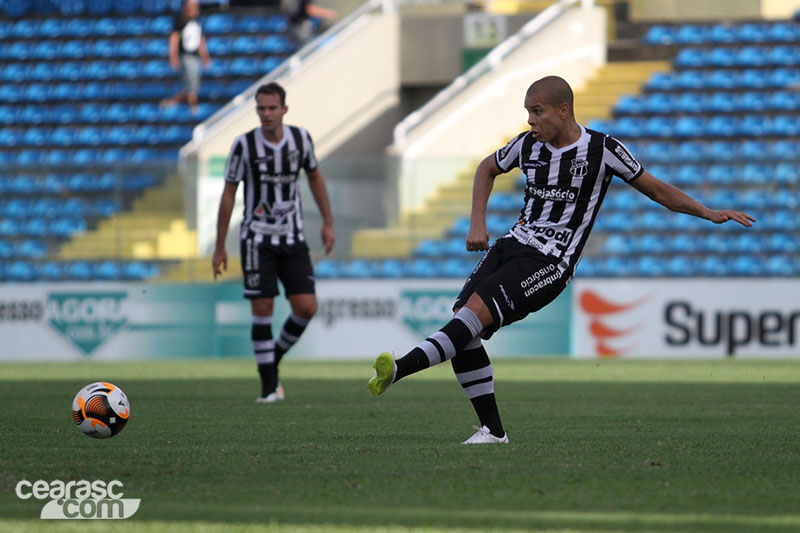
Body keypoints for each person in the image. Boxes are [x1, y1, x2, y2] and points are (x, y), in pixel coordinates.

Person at [366, 75, 756, 444]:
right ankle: (493, 432)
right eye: (528, 112)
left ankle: (400, 369)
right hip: (511, 245)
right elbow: (487, 168)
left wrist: (708, 212)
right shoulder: (526, 145)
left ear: (563, 110)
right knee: (463, 327)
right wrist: (477, 223)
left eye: (537, 111)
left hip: (550, 260)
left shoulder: (603, 150)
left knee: (469, 318)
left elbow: (656, 190)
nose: (531, 121)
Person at [213, 82, 335, 403]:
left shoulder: (301, 140)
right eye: (261, 109)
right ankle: (269, 389)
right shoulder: (244, 145)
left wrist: (328, 222)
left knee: (307, 308)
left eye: (272, 108)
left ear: (284, 109)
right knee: (263, 308)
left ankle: (273, 358)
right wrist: (220, 245)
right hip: (256, 241)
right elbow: (229, 192)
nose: (266, 114)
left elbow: (315, 177)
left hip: (293, 238)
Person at [162, 0, 212, 115]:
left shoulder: (197, 22)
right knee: (192, 82)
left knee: (190, 85)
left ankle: (171, 102)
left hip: (195, 57)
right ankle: (193, 108)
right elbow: (174, 39)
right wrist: (173, 56)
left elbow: (200, 41)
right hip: (186, 56)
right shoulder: (181, 21)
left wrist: (205, 57)